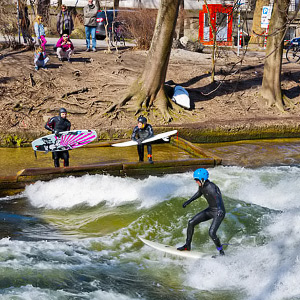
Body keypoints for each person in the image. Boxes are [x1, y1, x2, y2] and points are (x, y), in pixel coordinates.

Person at [177, 168, 226, 256]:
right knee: (191, 222)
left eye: (196, 180)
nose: (196, 182)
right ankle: (187, 246)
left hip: (219, 212)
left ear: (202, 179)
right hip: (211, 210)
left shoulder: (211, 187)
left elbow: (217, 198)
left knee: (211, 233)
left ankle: (221, 251)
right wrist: (189, 201)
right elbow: (199, 193)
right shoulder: (202, 186)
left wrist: (220, 209)